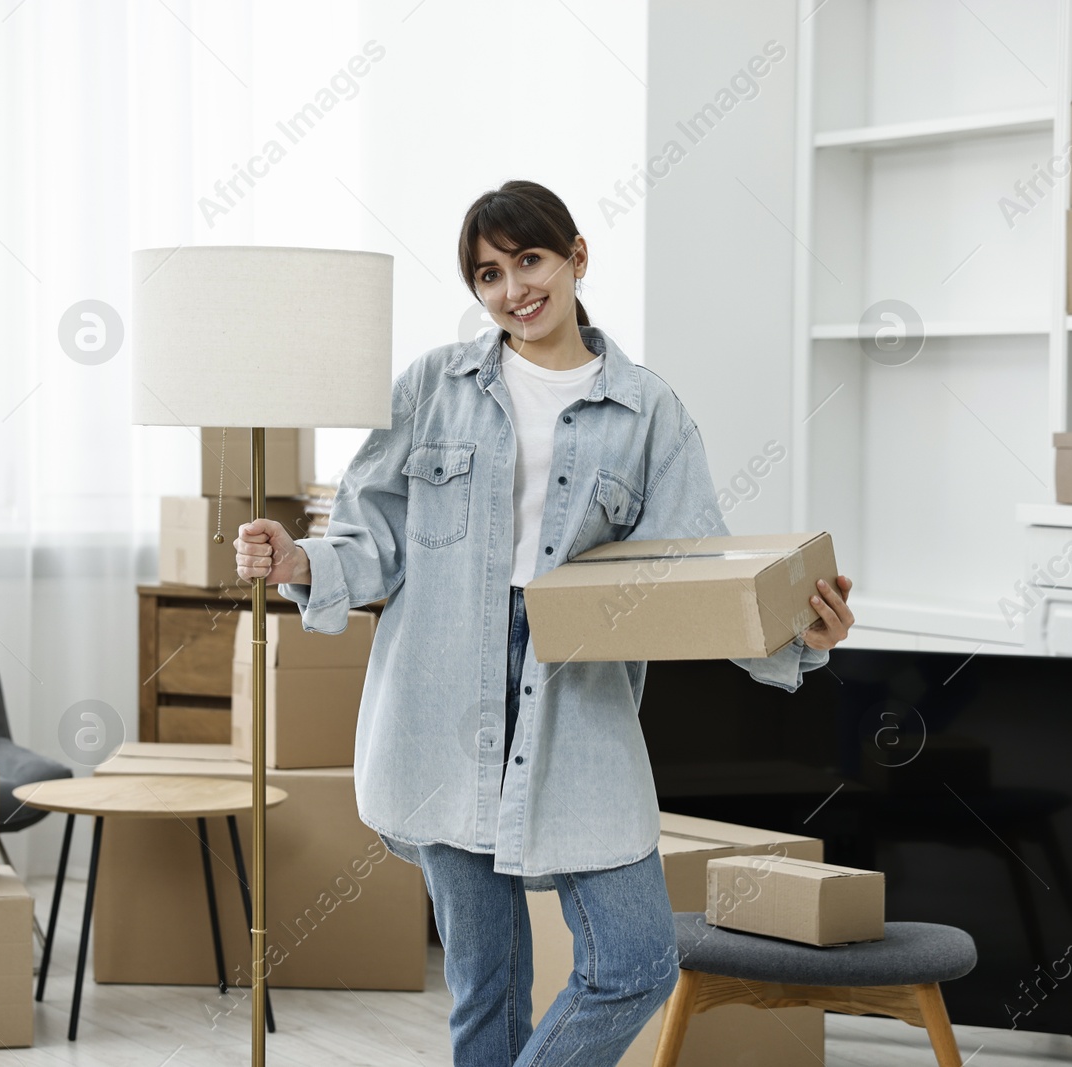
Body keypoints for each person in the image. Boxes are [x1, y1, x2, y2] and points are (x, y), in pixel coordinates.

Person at [234, 179, 854, 1066]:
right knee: (486, 991)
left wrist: (801, 637)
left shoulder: (649, 412)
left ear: (575, 258)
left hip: (579, 699)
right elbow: (371, 538)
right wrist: (298, 560)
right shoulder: (430, 389)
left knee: (635, 961)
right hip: (440, 696)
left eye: (528, 260)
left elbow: (696, 575)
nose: (513, 289)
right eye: (488, 274)